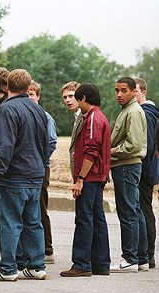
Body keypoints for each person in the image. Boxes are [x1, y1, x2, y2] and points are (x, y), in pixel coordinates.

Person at [0, 69, 48, 282]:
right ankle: (37, 265)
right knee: (33, 222)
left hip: (13, 176)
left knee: (9, 222)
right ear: (27, 86)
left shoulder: (7, 109)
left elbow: (5, 145)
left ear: (8, 86)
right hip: (35, 174)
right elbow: (45, 142)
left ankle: (7, 268)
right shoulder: (37, 109)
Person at [59, 84, 112, 277]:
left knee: (84, 218)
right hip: (98, 176)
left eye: (76, 98)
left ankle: (81, 263)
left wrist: (80, 178)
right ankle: (101, 263)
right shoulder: (99, 117)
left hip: (89, 177)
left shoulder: (92, 119)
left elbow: (91, 151)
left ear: (82, 98)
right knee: (98, 218)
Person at [110, 77, 148, 273]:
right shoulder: (127, 110)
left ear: (134, 91)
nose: (119, 94)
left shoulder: (133, 112)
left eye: (124, 90)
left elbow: (133, 145)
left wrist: (111, 152)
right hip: (128, 167)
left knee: (128, 213)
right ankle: (141, 258)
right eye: (117, 90)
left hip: (126, 166)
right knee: (134, 211)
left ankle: (130, 258)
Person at [27, 80, 57, 264]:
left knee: (40, 207)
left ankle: (47, 249)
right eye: (27, 93)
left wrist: (38, 158)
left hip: (40, 167)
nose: (29, 97)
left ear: (38, 96)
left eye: (32, 94)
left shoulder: (46, 117)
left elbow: (52, 142)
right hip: (27, 168)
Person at [134, 77, 158, 269]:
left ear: (143, 92)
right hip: (148, 170)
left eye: (135, 91)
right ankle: (146, 254)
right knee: (144, 209)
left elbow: (147, 146)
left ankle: (148, 254)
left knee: (144, 210)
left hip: (144, 170)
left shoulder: (146, 114)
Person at [60, 81, 82, 176]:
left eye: (71, 96)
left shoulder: (86, 117)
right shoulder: (77, 116)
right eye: (65, 97)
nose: (67, 100)